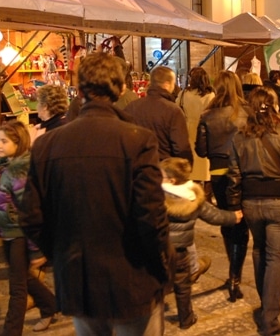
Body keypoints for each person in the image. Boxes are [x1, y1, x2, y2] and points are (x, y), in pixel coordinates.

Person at [20, 53, 173, 335]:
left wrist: (62, 254)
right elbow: (152, 217)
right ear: (121, 89)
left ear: (79, 91)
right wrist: (163, 265)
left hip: (79, 279)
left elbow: (30, 216)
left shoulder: (47, 145)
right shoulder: (138, 140)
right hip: (134, 278)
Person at [225, 87, 280, 336]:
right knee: (276, 257)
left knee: (259, 250)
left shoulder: (239, 137)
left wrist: (234, 206)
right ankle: (269, 317)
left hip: (251, 202)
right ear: (274, 106)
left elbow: (233, 177)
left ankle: (266, 305)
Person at [160, 157, 241, 330]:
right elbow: (214, 216)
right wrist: (233, 217)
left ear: (172, 180)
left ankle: (154, 320)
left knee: (155, 285)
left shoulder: (155, 196)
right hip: (180, 251)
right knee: (183, 286)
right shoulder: (193, 196)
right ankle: (186, 318)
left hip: (158, 249)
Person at [0, 120, 56, 335]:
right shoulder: (8, 166)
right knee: (23, 276)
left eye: (4, 141)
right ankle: (50, 304)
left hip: (20, 234)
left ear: (18, 143)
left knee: (17, 288)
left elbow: (29, 211)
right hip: (9, 232)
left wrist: (36, 248)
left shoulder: (19, 170)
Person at [196, 71, 249, 301]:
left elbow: (201, 150)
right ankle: (235, 276)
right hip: (244, 172)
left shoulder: (207, 115)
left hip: (218, 174)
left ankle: (233, 274)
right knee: (242, 226)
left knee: (228, 222)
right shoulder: (247, 112)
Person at [175, 66, 215, 282]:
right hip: (204, 132)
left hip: (187, 132)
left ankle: (192, 199)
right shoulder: (210, 96)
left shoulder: (183, 94)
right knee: (204, 169)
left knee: (191, 170)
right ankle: (204, 201)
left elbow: (176, 111)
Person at [125, 65, 193, 164]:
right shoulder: (173, 111)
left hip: (137, 165)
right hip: (164, 166)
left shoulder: (132, 107)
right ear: (166, 84)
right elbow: (181, 147)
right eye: (173, 83)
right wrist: (186, 165)